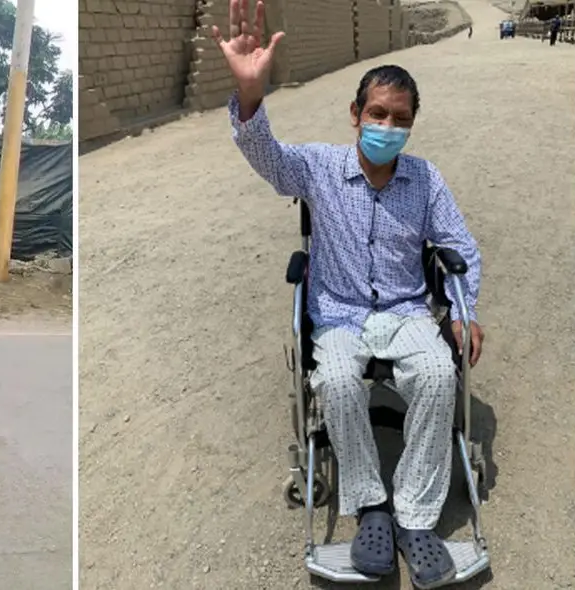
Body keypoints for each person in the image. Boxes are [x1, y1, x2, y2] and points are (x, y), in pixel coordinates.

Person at [213, 1, 483, 587]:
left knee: (440, 374)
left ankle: (413, 514)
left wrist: (465, 311)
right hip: (337, 313)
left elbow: (462, 244)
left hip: (408, 309)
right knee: (335, 380)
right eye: (377, 113)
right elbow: (269, 160)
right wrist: (251, 96)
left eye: (399, 118)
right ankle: (371, 508)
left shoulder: (426, 179)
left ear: (411, 124)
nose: (387, 126)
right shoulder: (317, 167)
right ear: (355, 114)